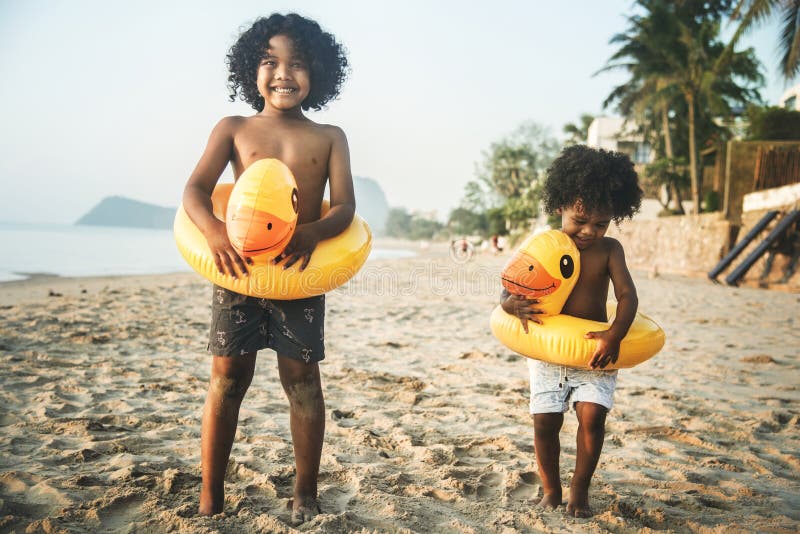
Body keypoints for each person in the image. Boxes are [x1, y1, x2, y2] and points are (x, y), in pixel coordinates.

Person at [181, 13, 353, 524]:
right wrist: (213, 233)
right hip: (238, 272)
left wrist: (311, 233)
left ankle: (305, 492)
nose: (284, 73)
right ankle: (210, 494)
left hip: (298, 273)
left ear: (316, 72)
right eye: (271, 62)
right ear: (250, 71)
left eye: (298, 63)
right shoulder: (233, 129)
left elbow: (343, 207)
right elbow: (194, 191)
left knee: (302, 381)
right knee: (227, 380)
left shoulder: (329, 137)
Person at [501, 145, 643, 517]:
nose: (588, 231)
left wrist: (614, 334)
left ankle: (580, 491)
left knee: (593, 417)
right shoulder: (546, 244)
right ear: (561, 203)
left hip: (595, 350)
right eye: (580, 219)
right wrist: (509, 304)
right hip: (548, 352)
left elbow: (628, 296)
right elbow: (511, 287)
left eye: (601, 223)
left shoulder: (610, 250)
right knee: (545, 422)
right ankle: (551, 489)